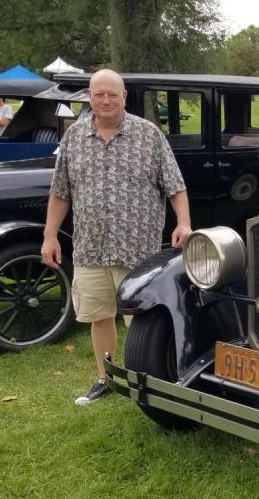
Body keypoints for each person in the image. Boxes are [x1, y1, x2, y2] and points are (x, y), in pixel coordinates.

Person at [41, 69, 191, 406]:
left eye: (113, 94)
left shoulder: (149, 135)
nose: (106, 100)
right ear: (89, 97)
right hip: (91, 248)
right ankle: (105, 378)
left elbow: (175, 185)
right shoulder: (74, 138)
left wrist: (183, 222)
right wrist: (50, 235)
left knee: (140, 319)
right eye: (99, 94)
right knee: (99, 315)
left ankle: (148, 383)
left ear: (124, 97)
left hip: (137, 250)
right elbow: (60, 192)